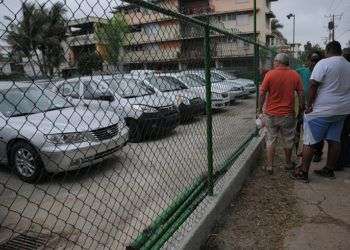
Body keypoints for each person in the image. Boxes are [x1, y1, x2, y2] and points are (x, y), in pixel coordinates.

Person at [292, 41, 350, 182]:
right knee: (334, 139)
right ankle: (329, 169)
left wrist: (309, 105)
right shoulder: (348, 65)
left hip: (322, 109)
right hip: (342, 110)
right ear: (340, 50)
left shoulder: (324, 63)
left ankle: (303, 172)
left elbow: (313, 85)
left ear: (327, 51)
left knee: (310, 141)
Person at [259, 53, 304, 175]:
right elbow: (300, 93)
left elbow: (262, 93)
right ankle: (288, 164)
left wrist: (259, 109)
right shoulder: (295, 75)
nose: (273, 63)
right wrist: (301, 109)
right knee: (288, 140)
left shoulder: (269, 74)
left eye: (274, 61)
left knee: (271, 139)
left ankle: (269, 166)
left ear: (278, 61)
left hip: (271, 115)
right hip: (288, 115)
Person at [295, 53, 323, 157]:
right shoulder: (302, 71)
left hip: (317, 107)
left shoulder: (323, 72)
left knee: (316, 131)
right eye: (312, 60)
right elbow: (290, 73)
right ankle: (303, 150)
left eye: (316, 60)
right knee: (303, 130)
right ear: (308, 61)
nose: (314, 63)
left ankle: (317, 153)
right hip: (302, 106)